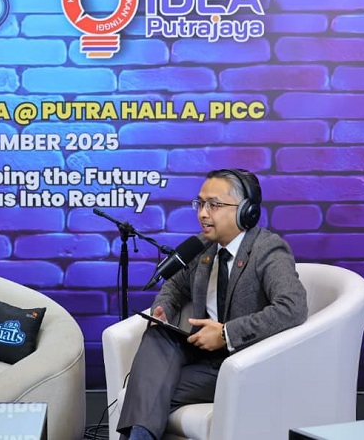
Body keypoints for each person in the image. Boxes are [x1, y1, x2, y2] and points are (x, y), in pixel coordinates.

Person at [117, 169, 308, 439]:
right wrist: (163, 310)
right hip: (200, 356)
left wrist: (225, 334)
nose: (203, 214)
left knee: (147, 390)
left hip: (242, 362)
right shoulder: (203, 246)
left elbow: (293, 307)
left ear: (246, 211)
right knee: (157, 335)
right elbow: (175, 287)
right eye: (200, 203)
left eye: (214, 205)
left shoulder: (268, 249)